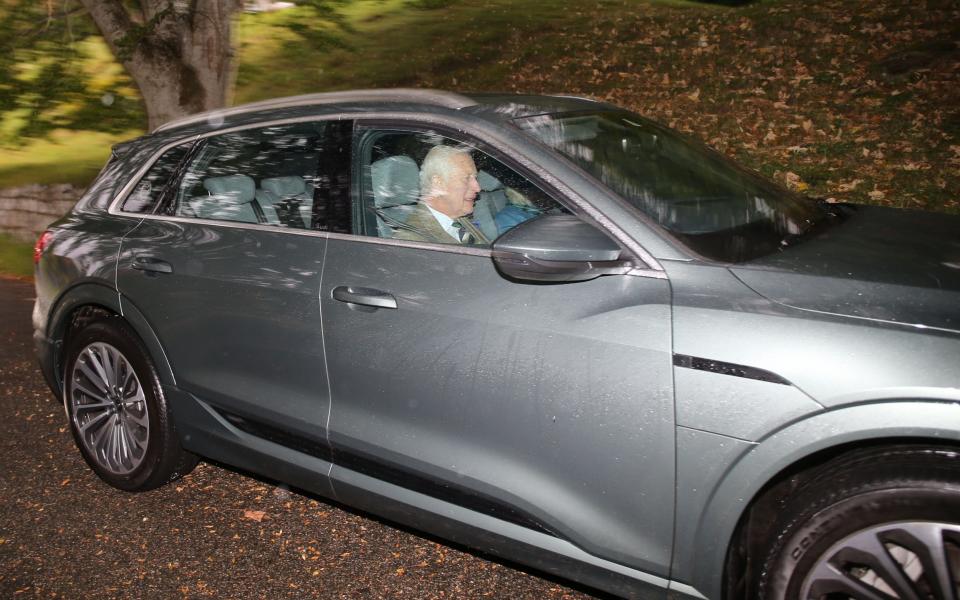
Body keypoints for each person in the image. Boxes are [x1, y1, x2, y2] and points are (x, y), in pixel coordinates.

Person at [394, 145, 487, 245]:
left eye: (475, 178)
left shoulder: (459, 219)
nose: (477, 188)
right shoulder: (412, 241)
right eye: (466, 178)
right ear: (438, 183)